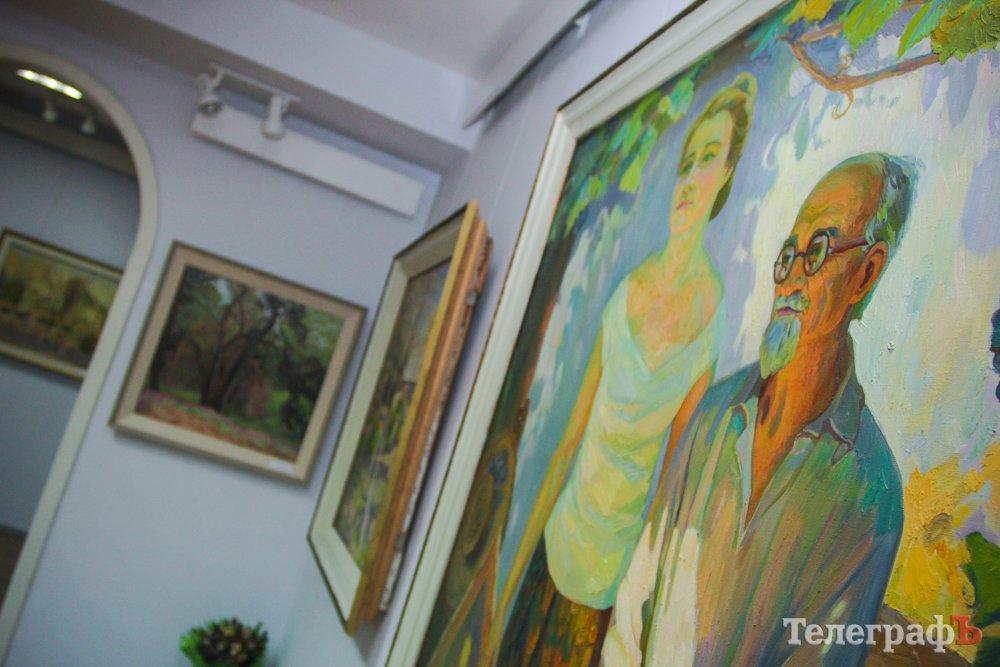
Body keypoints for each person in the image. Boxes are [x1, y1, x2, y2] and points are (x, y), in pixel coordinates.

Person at [601, 153, 915, 666]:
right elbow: (636, 602)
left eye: (817, 250)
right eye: (789, 253)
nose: (790, 278)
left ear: (865, 273)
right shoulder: (714, 411)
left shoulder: (869, 493)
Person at [493, 73, 757, 666]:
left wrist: (644, 615)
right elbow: (567, 446)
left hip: (609, 587)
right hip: (557, 550)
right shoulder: (625, 293)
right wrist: (508, 588)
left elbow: (673, 484)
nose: (688, 179)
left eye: (707, 160)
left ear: (727, 174)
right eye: (685, 163)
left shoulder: (711, 316)